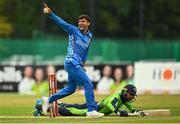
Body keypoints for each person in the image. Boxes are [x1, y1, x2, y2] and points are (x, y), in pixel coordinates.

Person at [42, 3, 104, 118]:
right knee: (88, 83)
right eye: (79, 21)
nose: (80, 23)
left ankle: (49, 99)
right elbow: (62, 23)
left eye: (83, 21)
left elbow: (85, 52)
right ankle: (91, 110)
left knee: (71, 89)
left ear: (88, 23)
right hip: (70, 62)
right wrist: (51, 14)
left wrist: (82, 64)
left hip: (77, 63)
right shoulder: (73, 30)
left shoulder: (89, 36)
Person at [33, 84, 147, 117]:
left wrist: (138, 112)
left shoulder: (124, 100)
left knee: (74, 106)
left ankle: (55, 103)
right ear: (125, 92)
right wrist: (118, 112)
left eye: (132, 96)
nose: (131, 97)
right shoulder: (116, 97)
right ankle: (43, 107)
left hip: (94, 105)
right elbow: (112, 105)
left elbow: (131, 109)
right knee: (71, 111)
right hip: (93, 108)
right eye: (131, 95)